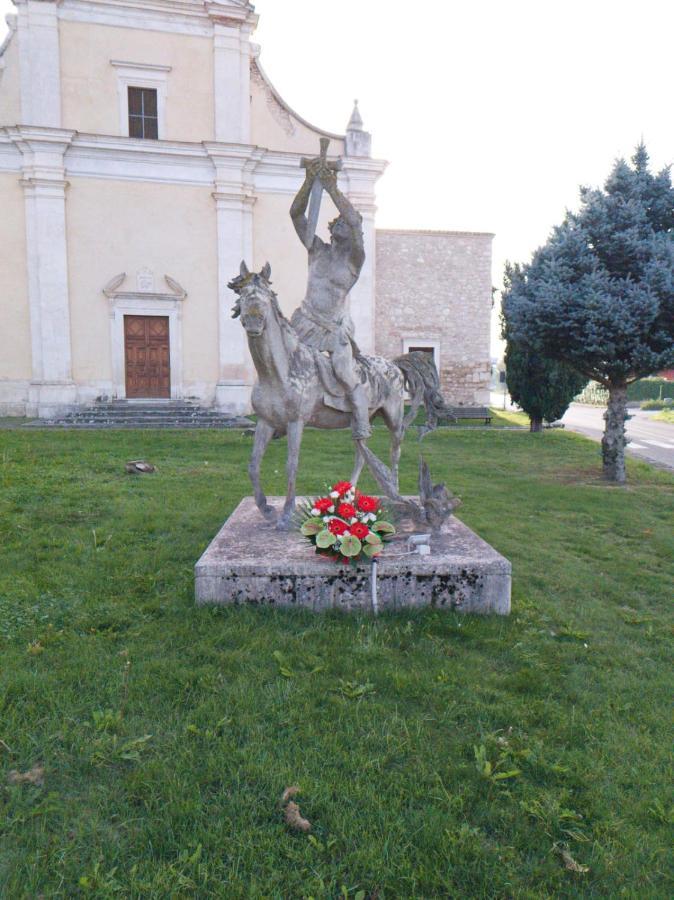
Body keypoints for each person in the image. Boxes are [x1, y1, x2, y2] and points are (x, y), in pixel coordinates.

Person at [290, 157, 371, 440]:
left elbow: (353, 219)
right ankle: (278, 416)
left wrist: (332, 188)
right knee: (281, 363)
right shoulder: (316, 249)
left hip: (334, 328)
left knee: (344, 372)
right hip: (305, 321)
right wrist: (309, 180)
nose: (340, 224)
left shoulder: (354, 260)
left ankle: (361, 419)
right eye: (336, 222)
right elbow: (296, 215)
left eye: (345, 224)